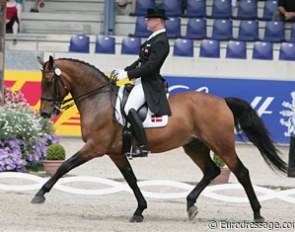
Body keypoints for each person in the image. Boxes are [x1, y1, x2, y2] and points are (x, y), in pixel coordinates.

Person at [112, 8, 172, 158]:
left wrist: (128, 74)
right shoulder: (153, 38)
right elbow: (141, 60)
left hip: (149, 83)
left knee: (129, 107)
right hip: (141, 80)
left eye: (149, 19)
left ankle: (143, 146)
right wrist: (125, 70)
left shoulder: (161, 41)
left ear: (157, 21)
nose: (146, 21)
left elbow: (151, 67)